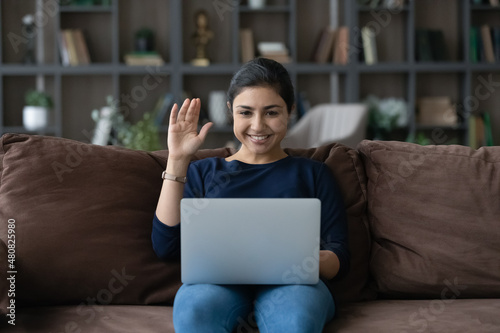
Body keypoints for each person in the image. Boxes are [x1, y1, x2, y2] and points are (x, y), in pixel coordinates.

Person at [152, 58, 349, 333]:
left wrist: (302, 260)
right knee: (194, 311)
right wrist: (177, 159)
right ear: (231, 111)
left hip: (292, 286)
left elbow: (339, 255)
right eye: (246, 113)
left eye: (271, 113)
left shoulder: (313, 173)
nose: (258, 126)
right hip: (217, 285)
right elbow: (166, 247)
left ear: (290, 111)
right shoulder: (204, 172)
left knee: (296, 319)